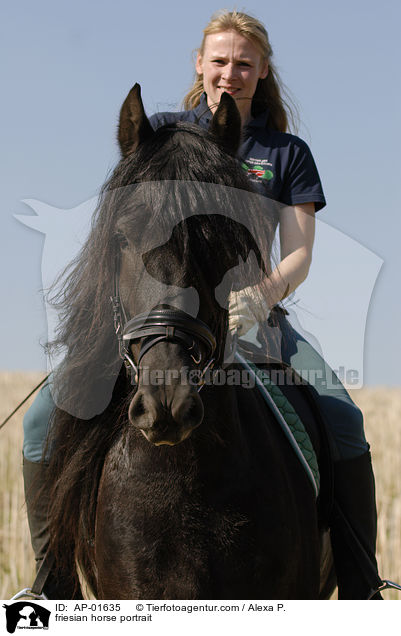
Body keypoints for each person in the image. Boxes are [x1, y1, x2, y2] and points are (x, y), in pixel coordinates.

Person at [22, 9, 381, 599]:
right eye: (220, 60)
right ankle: (51, 585)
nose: (230, 73)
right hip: (160, 316)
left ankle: (363, 590)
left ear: (262, 71)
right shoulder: (162, 135)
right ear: (199, 64)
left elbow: (299, 254)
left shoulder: (285, 153)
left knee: (344, 421)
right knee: (40, 423)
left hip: (254, 318)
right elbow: (129, 233)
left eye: (244, 63)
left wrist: (260, 297)